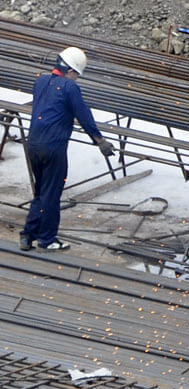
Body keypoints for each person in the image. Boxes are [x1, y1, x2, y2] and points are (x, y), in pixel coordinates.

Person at [19, 47, 114, 252]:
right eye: (77, 75)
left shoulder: (40, 81)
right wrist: (100, 141)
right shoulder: (70, 88)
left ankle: (27, 235)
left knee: (41, 192)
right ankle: (47, 239)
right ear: (70, 71)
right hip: (53, 148)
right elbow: (84, 115)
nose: (77, 79)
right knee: (51, 194)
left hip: (33, 145)